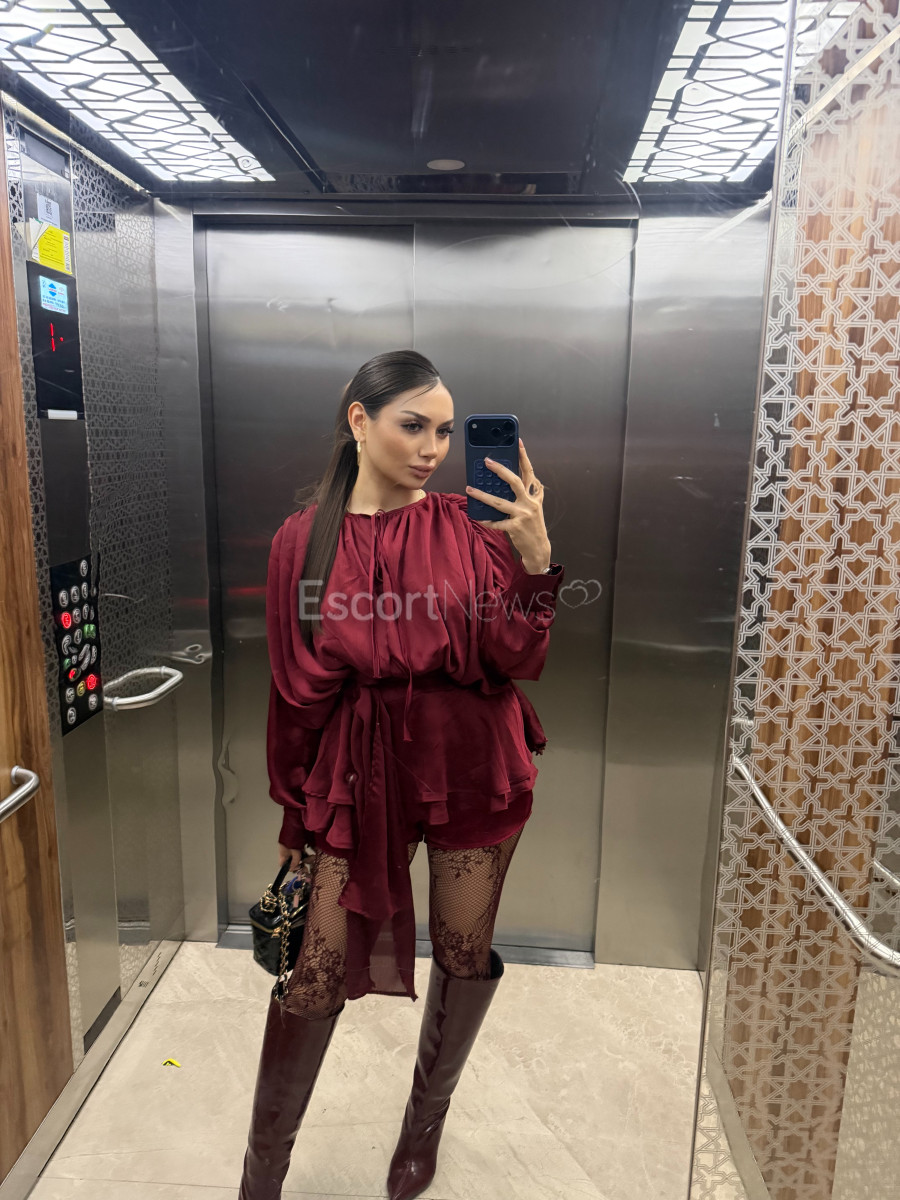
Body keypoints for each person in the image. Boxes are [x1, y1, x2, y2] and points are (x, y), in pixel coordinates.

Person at [238, 349, 565, 1200]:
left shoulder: (473, 526)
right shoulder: (302, 542)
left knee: (462, 951)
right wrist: (295, 814)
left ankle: (423, 1131)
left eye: (445, 432)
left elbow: (515, 655)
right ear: (359, 420)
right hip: (359, 772)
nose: (433, 449)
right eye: (413, 425)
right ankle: (261, 1175)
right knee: (312, 977)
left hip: (473, 763)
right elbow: (295, 691)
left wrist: (533, 564)